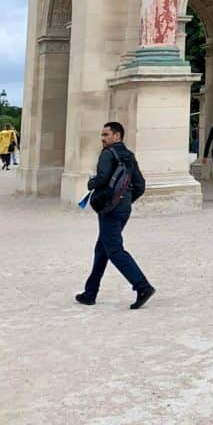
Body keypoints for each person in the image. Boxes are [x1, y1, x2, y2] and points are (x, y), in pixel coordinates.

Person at [75, 122, 153, 309]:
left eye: (106, 134)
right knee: (103, 248)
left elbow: (101, 179)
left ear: (117, 136)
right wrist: (125, 200)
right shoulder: (129, 156)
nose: (102, 138)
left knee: (115, 250)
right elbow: (140, 185)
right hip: (123, 208)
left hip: (109, 208)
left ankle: (142, 286)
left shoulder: (107, 154)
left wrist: (91, 183)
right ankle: (90, 292)